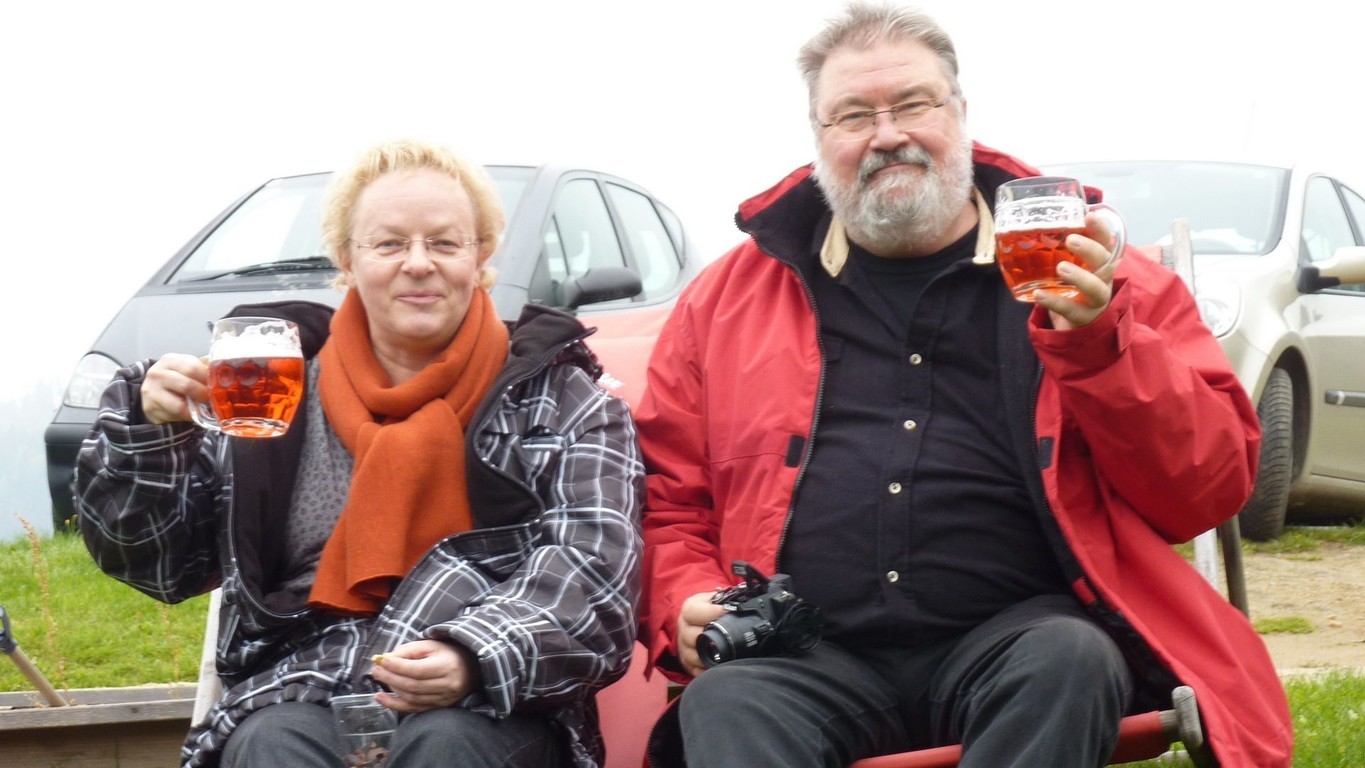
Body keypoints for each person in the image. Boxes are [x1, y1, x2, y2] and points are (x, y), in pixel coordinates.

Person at [635, 4, 1291, 768]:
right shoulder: (725, 302)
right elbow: (665, 499)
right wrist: (685, 596)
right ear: (817, 137)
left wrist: (1097, 344)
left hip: (1021, 635)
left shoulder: (1092, 274)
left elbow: (1206, 491)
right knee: (726, 700)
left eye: (913, 104)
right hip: (805, 652)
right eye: (853, 115)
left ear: (960, 112)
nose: (887, 135)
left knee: (1068, 660)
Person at [75, 139, 643, 768]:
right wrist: (152, 438)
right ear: (346, 259)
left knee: (446, 744)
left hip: (493, 704)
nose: (418, 264)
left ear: (481, 255)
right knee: (272, 745)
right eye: (389, 244)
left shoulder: (561, 399)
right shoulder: (271, 390)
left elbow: (594, 575)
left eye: (444, 243)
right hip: (302, 683)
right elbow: (158, 567)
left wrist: (474, 655)